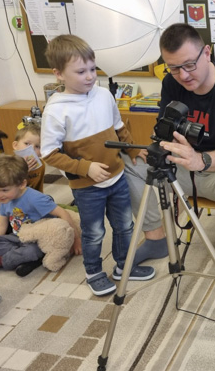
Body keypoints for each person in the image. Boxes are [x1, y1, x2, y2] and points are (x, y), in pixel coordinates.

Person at [125, 23, 215, 292]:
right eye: (174, 68)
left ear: (207, 53)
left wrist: (201, 160)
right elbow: (165, 130)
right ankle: (155, 239)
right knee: (134, 167)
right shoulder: (171, 83)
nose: (183, 75)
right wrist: (158, 147)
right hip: (184, 166)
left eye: (189, 65)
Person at [41, 34, 155, 296]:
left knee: (125, 226)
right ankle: (93, 272)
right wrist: (85, 168)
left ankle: (123, 266)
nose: (90, 76)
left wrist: (132, 149)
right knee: (93, 233)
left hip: (117, 177)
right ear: (59, 74)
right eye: (81, 72)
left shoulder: (104, 95)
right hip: (87, 186)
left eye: (93, 69)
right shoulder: (55, 110)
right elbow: (49, 153)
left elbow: (118, 128)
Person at [0, 155, 81, 277]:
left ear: (22, 184)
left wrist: (76, 239)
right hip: (18, 237)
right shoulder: (5, 200)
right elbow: (2, 224)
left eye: (4, 190)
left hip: (39, 241)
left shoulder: (35, 198)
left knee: (30, 251)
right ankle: (24, 258)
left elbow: (63, 213)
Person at [0, 122, 45, 230]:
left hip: (24, 202)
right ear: (15, 145)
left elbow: (37, 190)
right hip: (0, 204)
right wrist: (23, 171)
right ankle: (24, 226)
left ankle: (26, 223)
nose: (32, 149)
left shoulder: (41, 166)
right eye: (27, 144)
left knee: (48, 201)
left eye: (37, 146)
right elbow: (6, 190)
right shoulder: (7, 164)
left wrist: (40, 202)